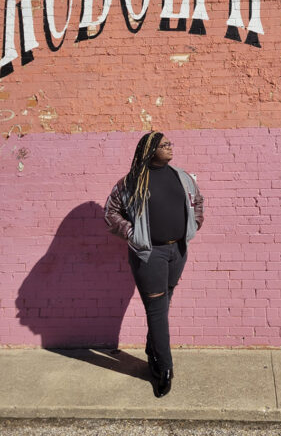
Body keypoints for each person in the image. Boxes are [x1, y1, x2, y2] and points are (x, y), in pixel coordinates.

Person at [104, 131, 204, 397]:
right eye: (163, 144)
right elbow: (110, 213)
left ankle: (153, 352)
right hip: (150, 255)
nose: (170, 146)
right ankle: (164, 368)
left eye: (170, 142)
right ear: (148, 149)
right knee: (158, 310)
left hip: (178, 251)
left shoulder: (181, 176)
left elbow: (197, 202)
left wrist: (193, 224)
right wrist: (132, 232)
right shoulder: (131, 181)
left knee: (162, 306)